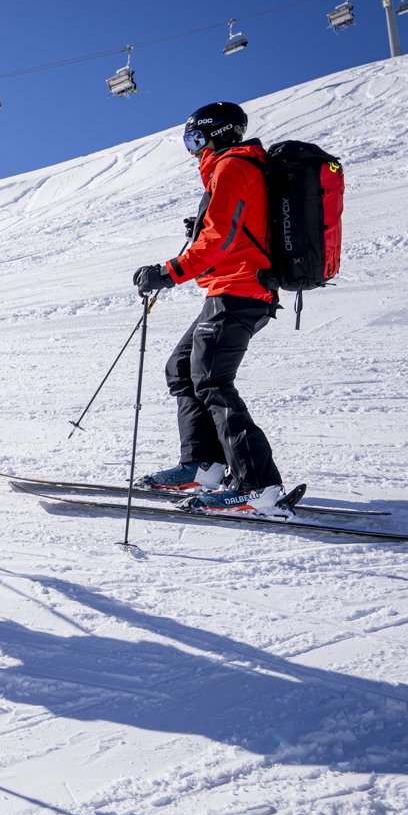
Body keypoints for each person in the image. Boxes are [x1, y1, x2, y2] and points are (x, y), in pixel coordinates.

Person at [132, 101, 287, 518]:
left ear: (216, 135)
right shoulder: (231, 170)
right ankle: (203, 466)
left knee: (213, 382)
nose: (193, 150)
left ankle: (259, 487)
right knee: (182, 370)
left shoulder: (232, 167)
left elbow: (219, 239)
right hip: (228, 288)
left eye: (195, 139)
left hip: (240, 290)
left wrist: (168, 272)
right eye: (189, 141)